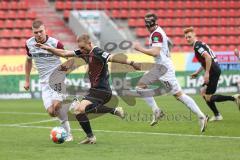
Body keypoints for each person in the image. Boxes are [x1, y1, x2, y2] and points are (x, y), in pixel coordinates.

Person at [36, 33, 140, 144]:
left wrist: (132, 63)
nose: (81, 50)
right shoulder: (84, 51)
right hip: (94, 90)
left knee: (79, 109)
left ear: (90, 44)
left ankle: (97, 129)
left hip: (103, 90)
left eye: (83, 48)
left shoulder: (97, 52)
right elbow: (65, 53)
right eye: (80, 47)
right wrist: (48, 48)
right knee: (80, 111)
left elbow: (112, 57)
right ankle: (95, 132)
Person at [133, 13, 208, 132]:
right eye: (147, 25)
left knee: (179, 95)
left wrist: (139, 48)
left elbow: (156, 52)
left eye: (149, 25)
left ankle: (201, 116)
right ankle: (157, 111)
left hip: (163, 69)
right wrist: (167, 53)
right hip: (161, 67)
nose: (148, 27)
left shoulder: (156, 34)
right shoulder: (159, 31)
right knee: (141, 86)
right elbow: (170, 42)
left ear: (152, 24)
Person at [24, 20, 73, 141]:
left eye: (41, 31)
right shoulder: (29, 43)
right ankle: (72, 103)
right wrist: (27, 80)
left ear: (45, 29)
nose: (39, 34)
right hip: (44, 82)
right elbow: (28, 61)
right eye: (36, 32)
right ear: (33, 32)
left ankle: (68, 134)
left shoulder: (55, 43)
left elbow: (68, 57)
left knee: (56, 105)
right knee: (52, 112)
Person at [184, 26, 240, 121]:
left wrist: (207, 73)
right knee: (203, 92)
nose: (187, 39)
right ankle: (217, 115)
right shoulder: (199, 44)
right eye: (186, 37)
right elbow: (205, 60)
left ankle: (234, 98)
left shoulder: (197, 46)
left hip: (213, 71)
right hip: (213, 69)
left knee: (208, 97)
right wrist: (197, 72)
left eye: (189, 36)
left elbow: (208, 58)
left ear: (194, 35)